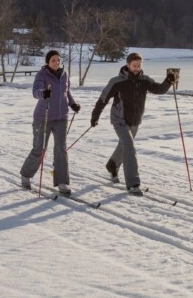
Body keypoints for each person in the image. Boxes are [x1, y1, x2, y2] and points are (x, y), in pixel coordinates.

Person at [91, 52, 175, 195]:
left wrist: (168, 81)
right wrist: (95, 116)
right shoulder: (117, 81)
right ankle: (133, 184)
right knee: (129, 146)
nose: (136, 68)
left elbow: (159, 89)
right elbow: (103, 99)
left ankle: (112, 165)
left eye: (139, 65)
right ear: (128, 65)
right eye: (134, 65)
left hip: (135, 121)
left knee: (124, 146)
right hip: (119, 120)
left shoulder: (144, 80)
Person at [19, 50, 80, 194]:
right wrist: (43, 93)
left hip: (61, 117)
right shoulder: (42, 74)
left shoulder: (64, 74)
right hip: (44, 116)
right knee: (39, 148)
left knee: (61, 149)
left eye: (58, 60)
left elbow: (67, 92)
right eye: (53, 60)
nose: (56, 62)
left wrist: (72, 104)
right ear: (47, 62)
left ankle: (62, 182)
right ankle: (26, 175)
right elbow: (36, 91)